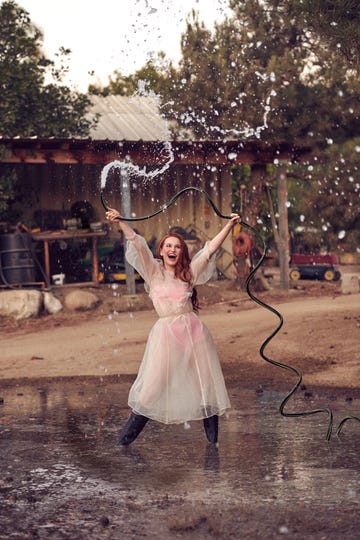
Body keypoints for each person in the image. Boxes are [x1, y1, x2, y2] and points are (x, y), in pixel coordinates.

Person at [105, 207, 241, 446]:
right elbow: (137, 244)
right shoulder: (153, 272)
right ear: (161, 250)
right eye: (168, 246)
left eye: (177, 247)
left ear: (182, 252)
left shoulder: (189, 273)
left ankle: (213, 446)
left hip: (194, 333)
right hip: (167, 336)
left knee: (205, 385)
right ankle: (122, 444)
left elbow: (209, 250)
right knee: (151, 388)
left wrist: (230, 226)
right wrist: (121, 221)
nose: (172, 250)